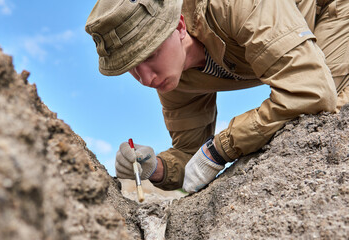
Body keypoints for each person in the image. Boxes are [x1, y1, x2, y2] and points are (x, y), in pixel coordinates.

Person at [85, 0, 349, 193]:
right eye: (131, 66)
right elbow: (191, 153)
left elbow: (311, 91)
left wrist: (221, 147)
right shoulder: (172, 79)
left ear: (178, 26)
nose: (146, 78)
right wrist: (154, 168)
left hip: (332, 11)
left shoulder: (234, 5)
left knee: (326, 114)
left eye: (150, 54)